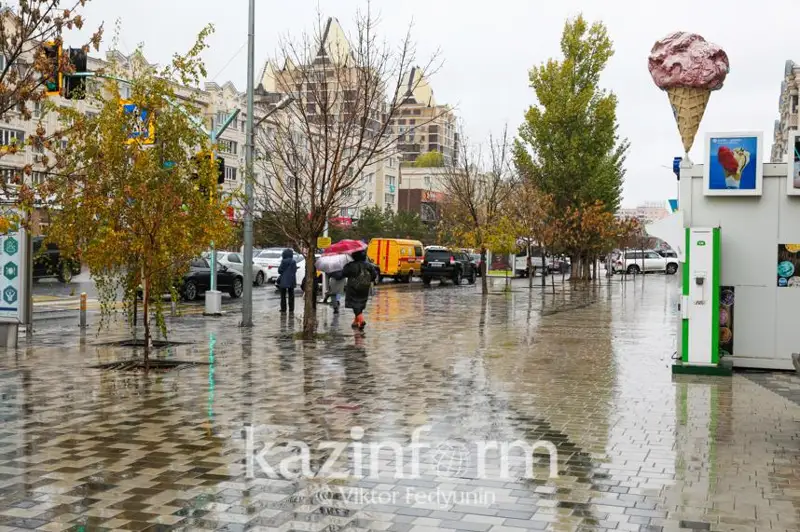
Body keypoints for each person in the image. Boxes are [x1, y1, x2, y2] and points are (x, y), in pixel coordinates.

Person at [341, 249, 378, 330]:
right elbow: (374, 275)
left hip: (353, 288)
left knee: (355, 304)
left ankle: (361, 320)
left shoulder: (351, 265)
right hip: (365, 287)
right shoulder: (369, 265)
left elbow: (343, 273)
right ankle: (355, 322)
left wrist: (347, 266)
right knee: (360, 303)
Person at [277, 248, 298, 313]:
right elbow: (295, 270)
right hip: (291, 280)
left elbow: (280, 271)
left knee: (283, 295)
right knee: (291, 295)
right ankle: (291, 309)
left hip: (284, 280)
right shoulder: (293, 261)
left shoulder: (283, 261)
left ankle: (283, 309)